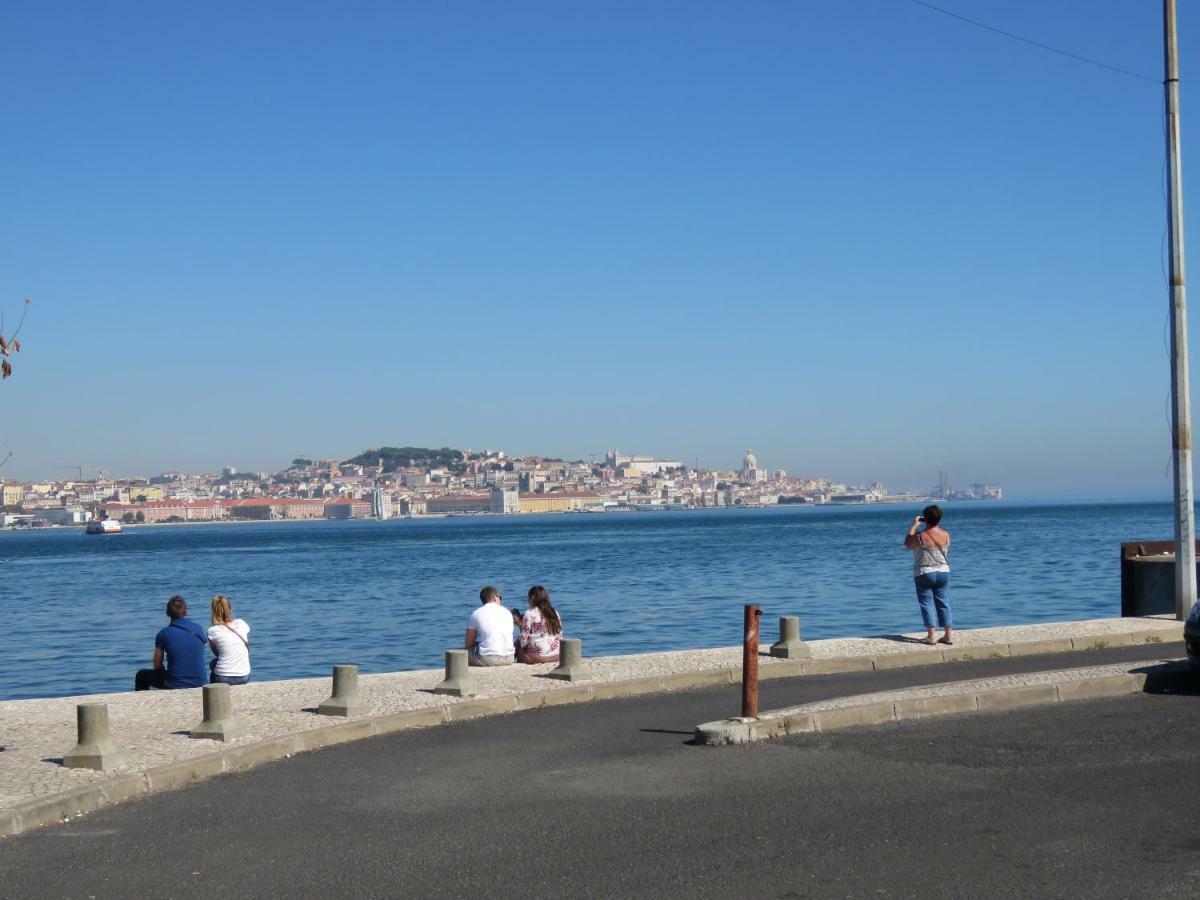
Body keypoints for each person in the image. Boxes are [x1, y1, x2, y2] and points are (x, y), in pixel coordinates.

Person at [134, 595, 208, 690]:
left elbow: (157, 665)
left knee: (141, 675)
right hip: (200, 681)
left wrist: (161, 670)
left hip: (175, 683)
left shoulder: (164, 633)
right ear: (186, 611)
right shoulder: (198, 628)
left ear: (167, 613)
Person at [904, 505, 953, 646]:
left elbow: (907, 544)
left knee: (926, 603)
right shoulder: (946, 535)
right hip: (943, 572)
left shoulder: (920, 536)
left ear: (926, 519)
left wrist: (914, 526)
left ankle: (932, 636)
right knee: (943, 602)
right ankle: (948, 635)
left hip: (924, 572)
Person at [465, 585, 515, 666]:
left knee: (463, 653)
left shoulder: (476, 613)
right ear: (495, 597)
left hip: (489, 659)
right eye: (500, 597)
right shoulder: (507, 612)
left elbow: (468, 643)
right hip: (509, 658)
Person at [207, 595, 251, 685]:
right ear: (230, 609)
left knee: (213, 665)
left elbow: (217, 654)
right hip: (244, 676)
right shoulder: (242, 624)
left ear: (213, 612)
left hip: (223, 677)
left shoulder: (212, 631)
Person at [516, 585, 563, 664]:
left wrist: (520, 625)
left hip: (539, 656)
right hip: (556, 653)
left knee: (518, 644)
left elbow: (524, 642)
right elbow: (560, 634)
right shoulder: (555, 612)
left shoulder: (530, 613)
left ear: (532, 598)